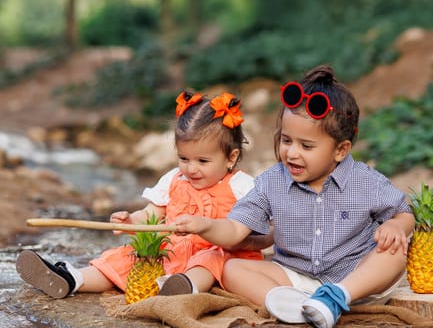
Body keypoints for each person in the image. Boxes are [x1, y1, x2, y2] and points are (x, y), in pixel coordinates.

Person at [172, 65, 415, 328]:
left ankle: (335, 298)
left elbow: (404, 213)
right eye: (286, 141)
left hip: (357, 278)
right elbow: (234, 230)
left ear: (340, 150)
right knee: (230, 269)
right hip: (295, 276)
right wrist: (204, 225)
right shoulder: (271, 182)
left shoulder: (364, 181)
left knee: (394, 254)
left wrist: (395, 226)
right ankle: (296, 306)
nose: (292, 153)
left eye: (306, 146)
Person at [16, 90, 268, 299]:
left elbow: (251, 231)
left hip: (217, 254)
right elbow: (152, 216)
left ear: (230, 158)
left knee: (210, 258)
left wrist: (209, 228)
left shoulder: (242, 186)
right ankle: (72, 279)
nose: (191, 168)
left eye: (202, 161)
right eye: (184, 158)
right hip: (172, 252)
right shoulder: (174, 179)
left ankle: (182, 288)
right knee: (126, 256)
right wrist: (131, 221)